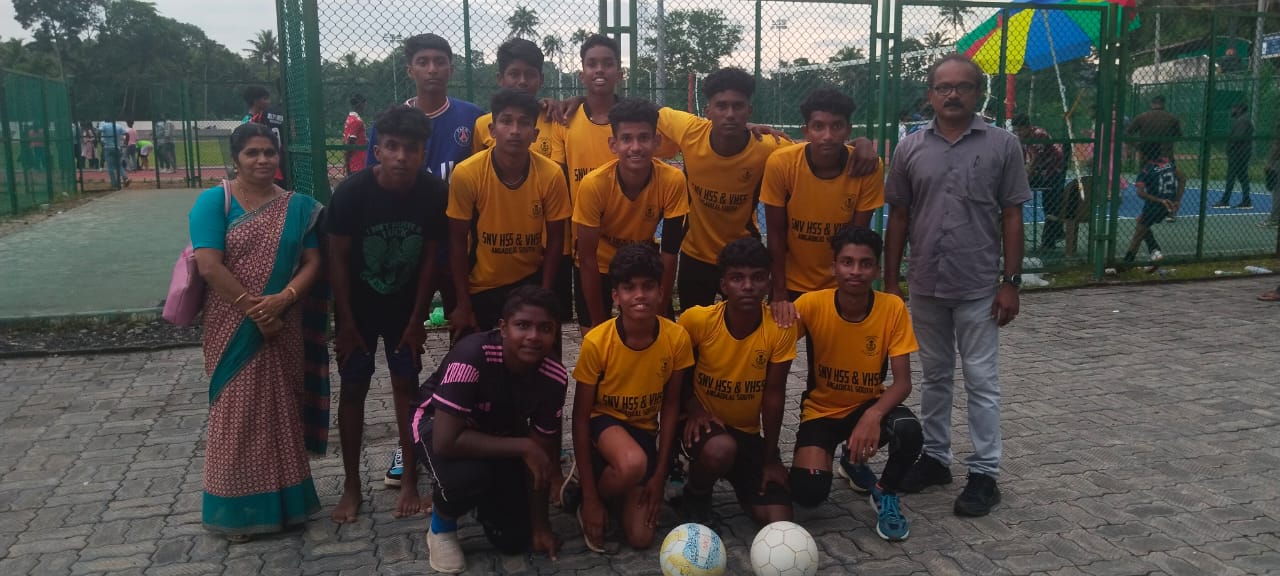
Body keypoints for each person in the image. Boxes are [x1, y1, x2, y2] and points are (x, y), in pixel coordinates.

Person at [884, 54, 1030, 518]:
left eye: (962, 87)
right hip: (926, 283)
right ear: (930, 94)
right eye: (943, 87)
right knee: (935, 377)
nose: (952, 94)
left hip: (978, 285)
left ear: (977, 93)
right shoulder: (909, 148)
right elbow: (899, 216)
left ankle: (985, 472)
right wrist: (890, 281)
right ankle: (936, 459)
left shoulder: (1003, 145)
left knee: (982, 381)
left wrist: (1010, 282)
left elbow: (1012, 214)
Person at [188, 122, 328, 541]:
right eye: (252, 152)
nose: (263, 159)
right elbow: (209, 265)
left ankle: (287, 506)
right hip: (233, 323)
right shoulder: (214, 202)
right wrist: (256, 311)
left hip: (284, 322)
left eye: (269, 152)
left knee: (281, 410)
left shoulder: (298, 207)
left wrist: (283, 299)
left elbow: (313, 262)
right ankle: (237, 514)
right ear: (236, 159)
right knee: (238, 411)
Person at [367, 33, 483, 487]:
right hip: (408, 256)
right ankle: (410, 438)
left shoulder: (472, 119)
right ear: (410, 69)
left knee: (464, 345)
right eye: (423, 61)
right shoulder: (390, 123)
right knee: (407, 352)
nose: (432, 69)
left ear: (451, 68)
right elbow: (375, 185)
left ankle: (457, 427)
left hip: (458, 254)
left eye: (440, 61)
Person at [327, 106, 448, 523]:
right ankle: (351, 486)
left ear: (423, 153)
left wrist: (417, 320)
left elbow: (431, 261)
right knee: (353, 389)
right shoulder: (351, 193)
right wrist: (344, 323)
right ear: (377, 150)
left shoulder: (433, 194)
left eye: (411, 149)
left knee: (406, 388)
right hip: (357, 310)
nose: (401, 156)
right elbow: (337, 261)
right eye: (392, 147)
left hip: (404, 309)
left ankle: (410, 480)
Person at [413, 286, 567, 573]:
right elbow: (446, 442)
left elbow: (541, 455)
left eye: (545, 328)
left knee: (513, 539)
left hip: (495, 432)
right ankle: (441, 527)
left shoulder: (554, 377)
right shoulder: (471, 355)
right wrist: (524, 446)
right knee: (465, 477)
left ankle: (483, 500)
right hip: (436, 423)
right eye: (523, 325)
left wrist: (541, 526)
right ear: (503, 328)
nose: (533, 336)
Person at [788, 226, 921, 542]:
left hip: (865, 407)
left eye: (865, 263)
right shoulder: (811, 304)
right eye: (847, 262)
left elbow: (903, 383)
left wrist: (873, 414)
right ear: (833, 267)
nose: (856, 271)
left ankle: (884, 492)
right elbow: (769, 342)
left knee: (908, 431)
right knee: (808, 494)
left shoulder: (892, 308)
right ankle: (848, 461)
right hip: (820, 413)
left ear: (877, 270)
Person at [571, 244, 693, 552]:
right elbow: (580, 418)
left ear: (661, 292)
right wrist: (591, 499)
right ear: (616, 296)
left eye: (648, 286)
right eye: (629, 288)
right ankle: (588, 494)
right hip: (604, 425)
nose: (640, 295)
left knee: (641, 538)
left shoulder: (676, 338)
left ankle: (617, 488)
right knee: (632, 463)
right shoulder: (597, 342)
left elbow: (671, 405)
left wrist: (660, 475)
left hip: (643, 434)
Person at [675, 237, 796, 527]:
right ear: (723, 284)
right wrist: (693, 408)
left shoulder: (780, 329)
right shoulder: (697, 321)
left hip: (746, 433)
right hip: (701, 424)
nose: (748, 286)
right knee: (720, 450)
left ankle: (741, 472)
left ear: (768, 283)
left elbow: (774, 396)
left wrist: (770, 458)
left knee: (777, 519)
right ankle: (695, 494)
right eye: (737, 278)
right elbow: (673, 376)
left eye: (757, 278)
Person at [447, 88, 571, 335]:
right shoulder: (467, 173)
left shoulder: (551, 174)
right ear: (492, 130)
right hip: (479, 286)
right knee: (468, 357)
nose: (515, 130)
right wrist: (462, 302)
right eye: (506, 121)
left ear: (535, 134)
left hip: (529, 282)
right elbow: (457, 241)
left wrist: (544, 295)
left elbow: (556, 239)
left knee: (542, 351)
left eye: (524, 123)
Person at [762, 87, 885, 327]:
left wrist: (849, 288)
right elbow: (775, 234)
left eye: (836, 126)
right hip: (791, 281)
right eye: (818, 126)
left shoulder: (867, 167)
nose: (827, 135)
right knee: (778, 347)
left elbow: (856, 238)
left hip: (839, 282)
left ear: (848, 129)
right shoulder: (781, 163)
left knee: (834, 349)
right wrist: (779, 292)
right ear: (806, 131)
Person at [573, 98, 689, 329]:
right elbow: (587, 258)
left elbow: (669, 252)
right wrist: (599, 325)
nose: (636, 147)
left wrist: (659, 310)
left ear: (656, 142)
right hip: (600, 265)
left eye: (644, 138)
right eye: (626, 138)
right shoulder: (593, 184)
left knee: (659, 333)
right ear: (613, 144)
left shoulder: (672, 180)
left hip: (643, 263)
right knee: (594, 336)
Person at [550, 33, 628, 324]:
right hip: (586, 250)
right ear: (581, 74)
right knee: (593, 330)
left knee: (639, 331)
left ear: (619, 73)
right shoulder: (565, 120)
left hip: (632, 247)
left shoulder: (635, 120)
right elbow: (556, 177)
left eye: (607, 63)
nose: (599, 70)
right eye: (592, 64)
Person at [472, 38, 562, 161]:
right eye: (514, 74)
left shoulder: (555, 120)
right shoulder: (482, 125)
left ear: (541, 79)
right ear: (500, 79)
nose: (522, 81)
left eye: (530, 75)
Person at [1122, 148, 1184, 267]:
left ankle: (1127, 262)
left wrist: (1160, 200)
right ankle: (1154, 251)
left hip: (1155, 205)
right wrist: (1177, 200)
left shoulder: (1146, 170)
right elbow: (1182, 178)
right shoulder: (1168, 163)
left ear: (1144, 155)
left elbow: (1140, 193)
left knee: (1138, 234)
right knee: (1141, 223)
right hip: (1170, 204)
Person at [1011, 114, 1066, 248]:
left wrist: (1023, 181)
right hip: (1040, 171)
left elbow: (1034, 162)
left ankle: (1050, 240)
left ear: (1028, 127)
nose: (1018, 133)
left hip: (1053, 170)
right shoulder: (1019, 138)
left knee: (1051, 204)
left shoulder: (1039, 135)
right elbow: (1021, 160)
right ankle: (1057, 232)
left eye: (1020, 130)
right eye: (1016, 130)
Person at [242, 86, 289, 188]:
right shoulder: (249, 121)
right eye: (265, 99)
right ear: (256, 101)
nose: (269, 102)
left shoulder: (266, 117)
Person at [1214, 103, 1253, 210]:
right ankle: (1246, 200)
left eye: (1233, 108)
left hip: (1238, 154)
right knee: (1242, 177)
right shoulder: (1242, 120)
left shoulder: (1242, 121)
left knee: (1231, 177)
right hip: (1241, 154)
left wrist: (1230, 147)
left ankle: (1225, 200)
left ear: (1239, 109)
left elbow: (1238, 137)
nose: (1232, 110)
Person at [98, 120, 128, 189]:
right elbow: (127, 134)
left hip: (108, 147)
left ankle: (114, 184)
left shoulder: (104, 125)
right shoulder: (119, 126)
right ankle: (125, 177)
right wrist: (125, 143)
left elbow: (98, 131)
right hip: (117, 147)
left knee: (110, 167)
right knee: (119, 165)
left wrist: (99, 140)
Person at [344, 93, 369, 175]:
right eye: (364, 104)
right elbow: (351, 141)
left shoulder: (350, 118)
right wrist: (347, 162)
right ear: (360, 104)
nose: (365, 107)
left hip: (354, 162)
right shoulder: (357, 121)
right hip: (358, 163)